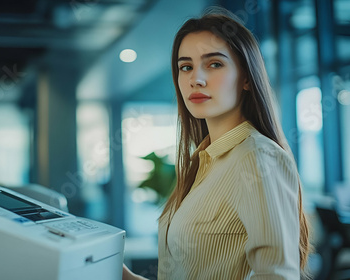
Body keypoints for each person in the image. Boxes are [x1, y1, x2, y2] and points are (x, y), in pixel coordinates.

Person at [123, 8, 311, 280]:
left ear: (246, 78)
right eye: (185, 66)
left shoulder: (257, 157)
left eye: (214, 64)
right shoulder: (202, 163)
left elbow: (277, 276)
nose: (195, 79)